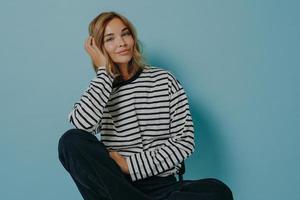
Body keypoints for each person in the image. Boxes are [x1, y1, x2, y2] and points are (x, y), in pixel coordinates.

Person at [58, 11, 233, 200]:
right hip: (116, 185)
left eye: (125, 34)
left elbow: (184, 142)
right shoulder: (101, 89)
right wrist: (104, 73)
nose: (122, 43)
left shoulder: (164, 80)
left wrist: (128, 165)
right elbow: (82, 127)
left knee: (218, 191)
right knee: (70, 140)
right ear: (99, 49)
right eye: (110, 39)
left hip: (163, 186)